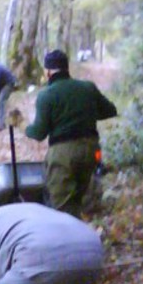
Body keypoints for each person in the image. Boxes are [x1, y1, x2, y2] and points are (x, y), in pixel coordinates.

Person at [25, 49, 117, 217]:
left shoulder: (46, 95)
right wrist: (85, 114)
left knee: (63, 208)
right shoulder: (88, 88)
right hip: (91, 149)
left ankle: (71, 232)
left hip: (63, 154)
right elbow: (110, 110)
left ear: (48, 72)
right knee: (87, 203)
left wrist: (25, 127)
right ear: (66, 68)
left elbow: (39, 133)